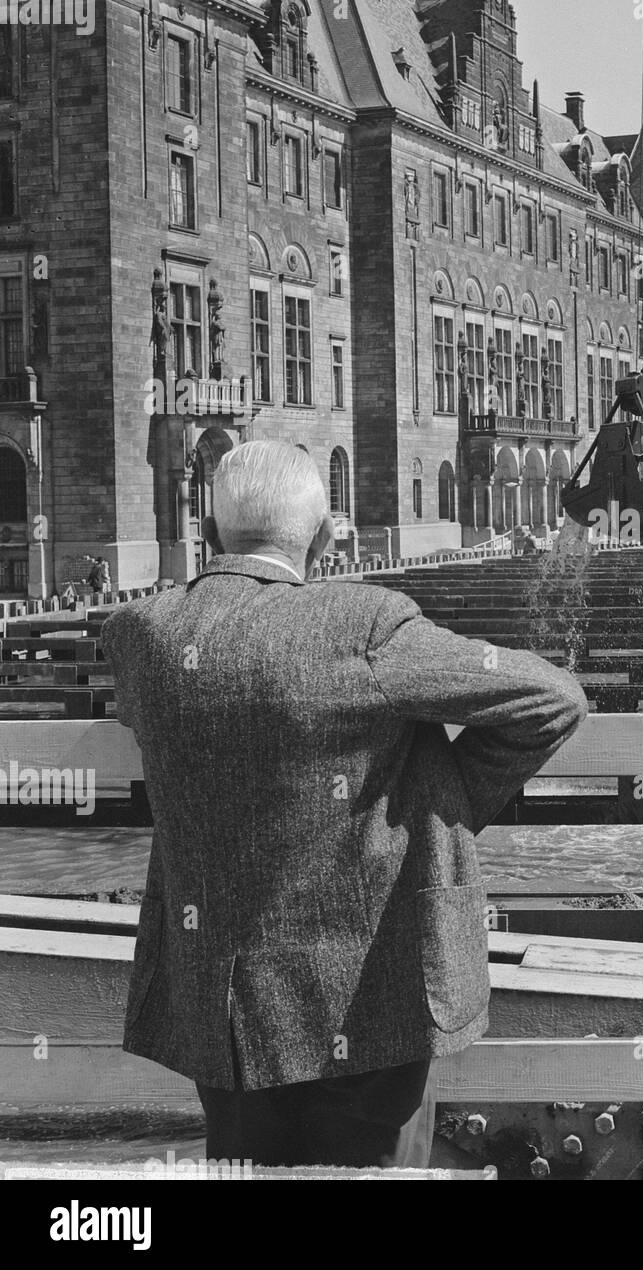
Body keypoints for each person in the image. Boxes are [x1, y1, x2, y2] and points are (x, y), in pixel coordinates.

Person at [102, 442, 587, 1169]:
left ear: (206, 536)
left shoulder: (139, 636)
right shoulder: (364, 626)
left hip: (222, 998)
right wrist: (445, 799)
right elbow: (552, 698)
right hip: (374, 990)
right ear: (327, 540)